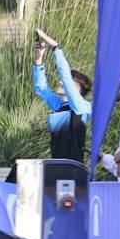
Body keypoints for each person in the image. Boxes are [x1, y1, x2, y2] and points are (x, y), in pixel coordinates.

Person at [31, 29, 92, 164]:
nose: (60, 82)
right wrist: (38, 60)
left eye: (67, 82)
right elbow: (40, 88)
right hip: (57, 164)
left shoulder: (81, 107)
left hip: (73, 168)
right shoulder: (59, 105)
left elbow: (65, 77)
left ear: (77, 88)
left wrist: (56, 48)